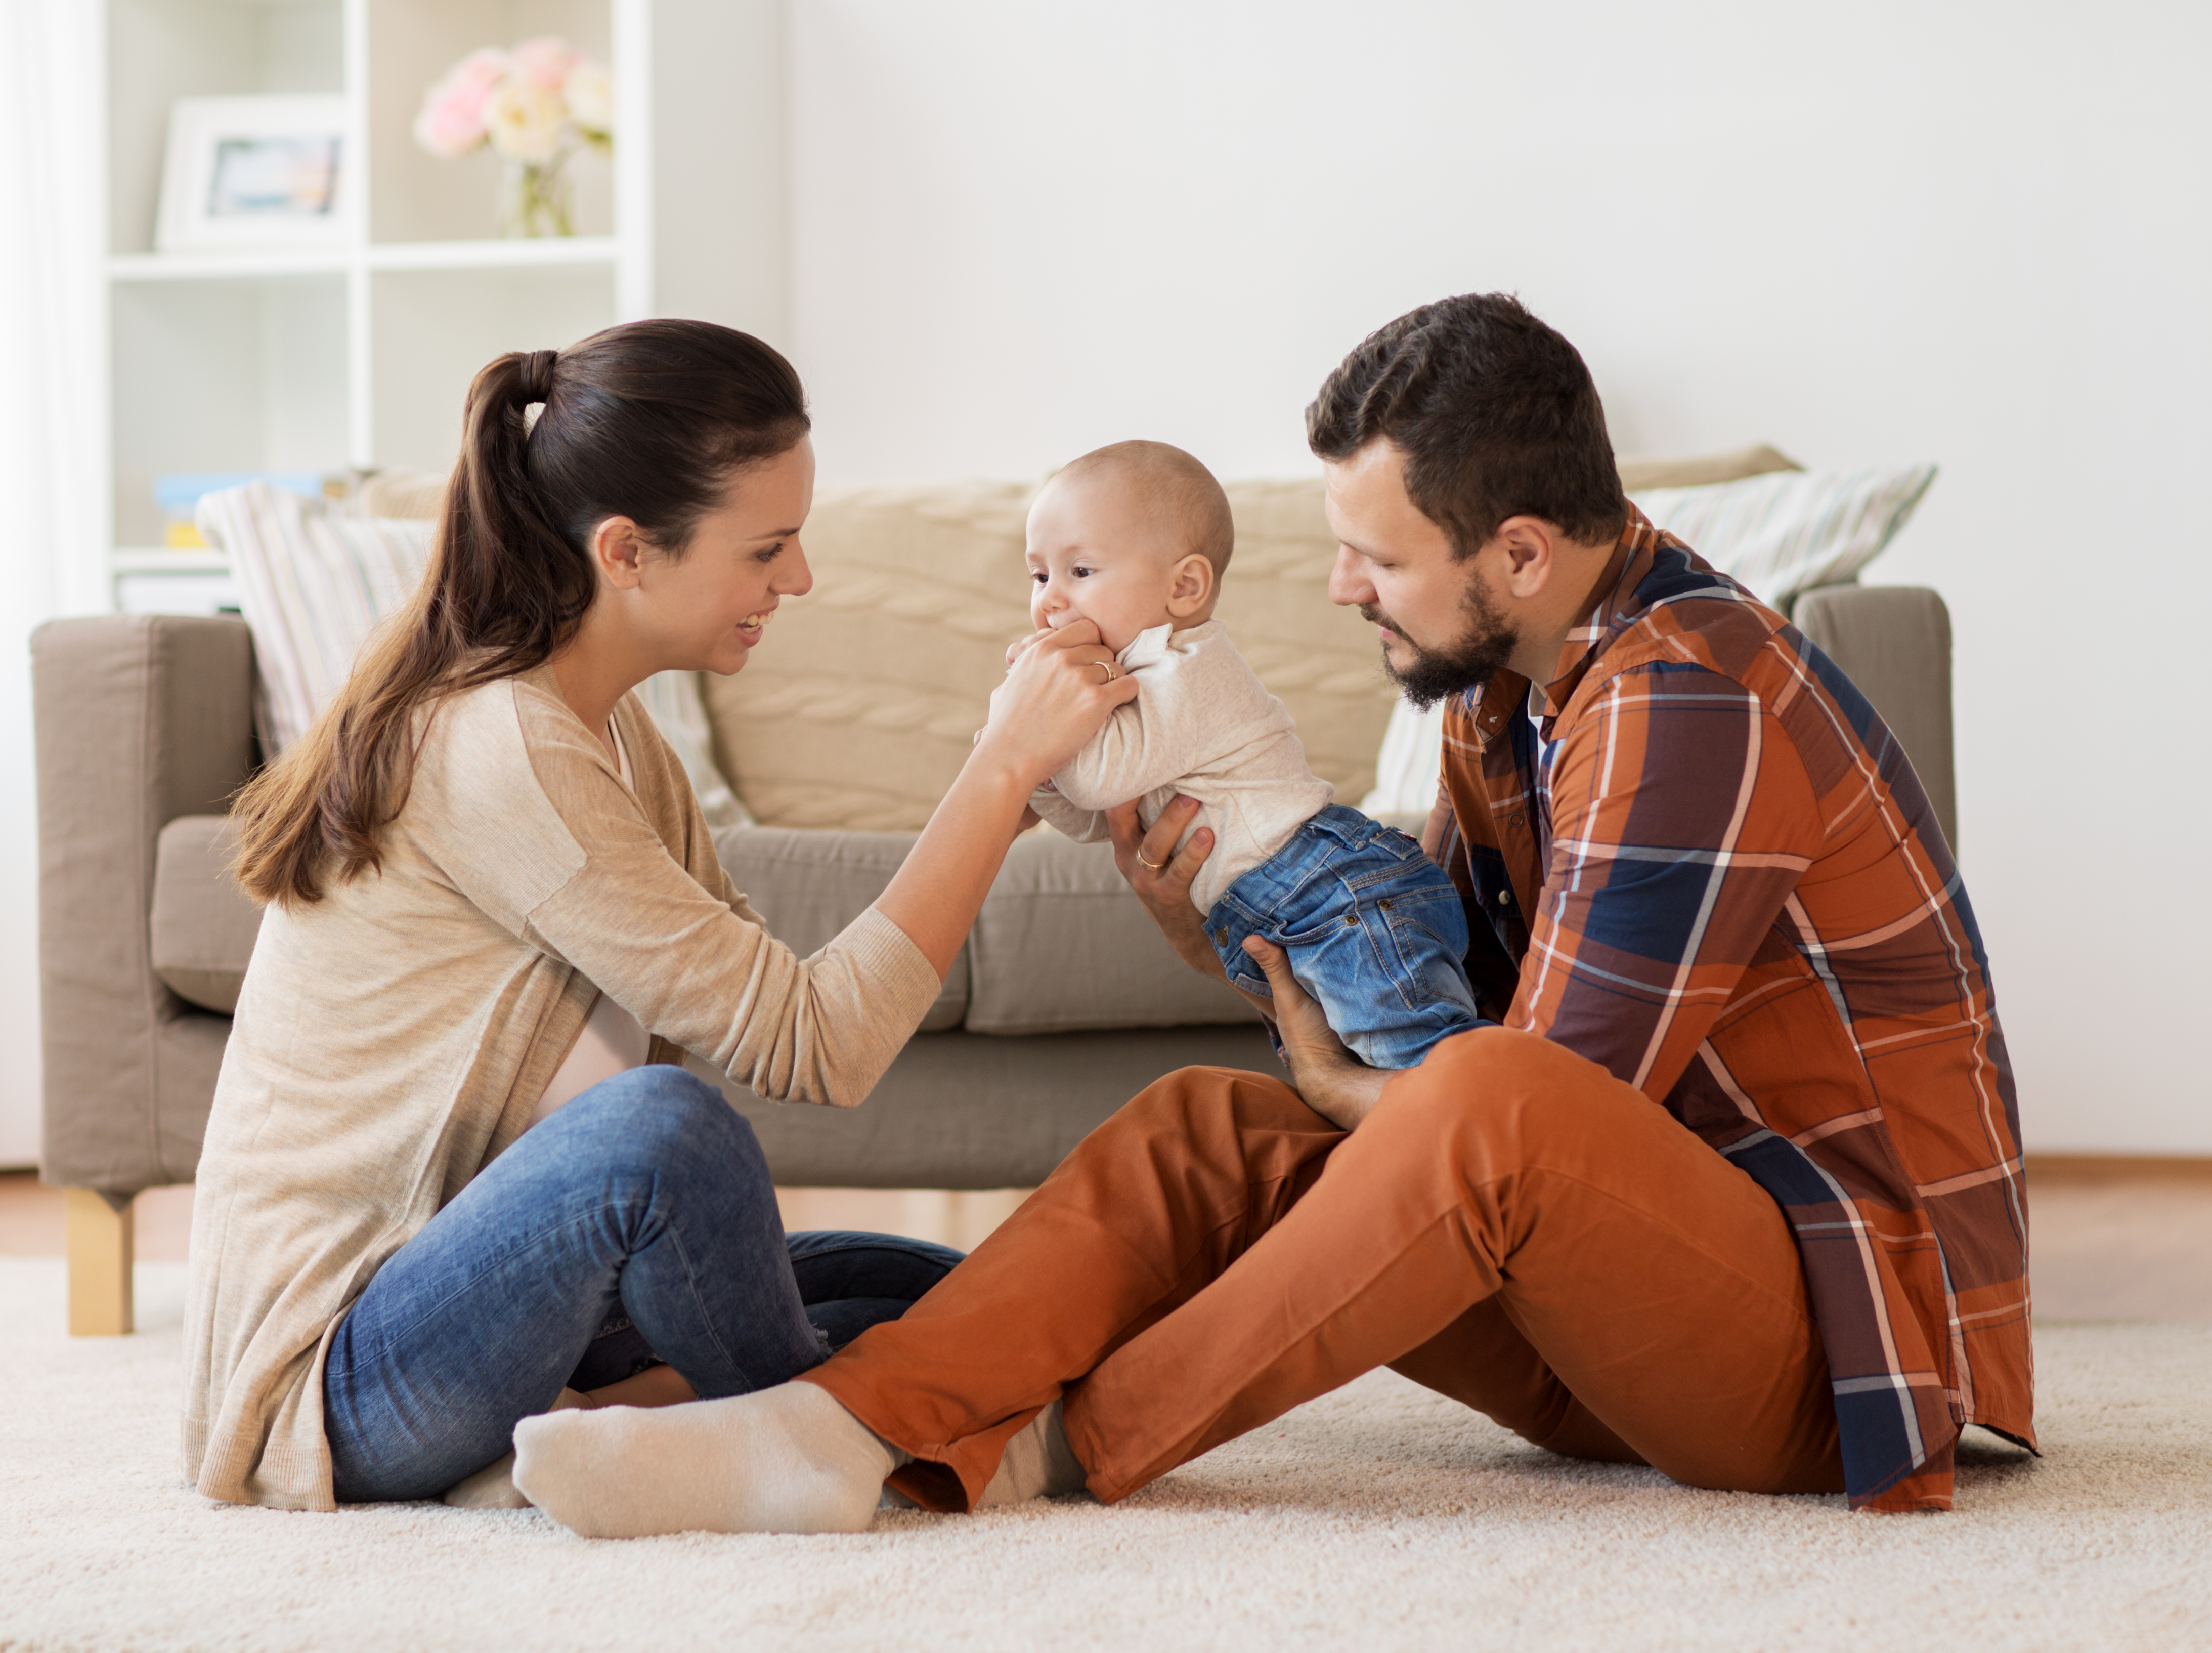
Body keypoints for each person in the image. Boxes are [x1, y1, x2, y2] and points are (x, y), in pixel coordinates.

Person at [508, 294, 2030, 1536]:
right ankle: (845, 1431)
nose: (1339, 591)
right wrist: (1228, 955)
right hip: (1631, 1292)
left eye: (1373, 558)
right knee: (1203, 1129)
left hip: (1844, 1346)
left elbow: (1538, 1113)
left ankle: (1046, 1450)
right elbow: (1450, 1018)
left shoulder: (1683, 699)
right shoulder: (1503, 695)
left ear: (1516, 551)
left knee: (1489, 1101)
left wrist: (1348, 1092)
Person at [180, 319, 1137, 1511]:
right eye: (768, 547)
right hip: (341, 1381)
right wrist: (994, 772)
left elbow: (785, 1003)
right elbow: (816, 1046)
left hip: (522, 1310)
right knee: (662, 1134)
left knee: (956, 1292)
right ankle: (829, 1437)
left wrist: (1041, 777)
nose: (798, 579)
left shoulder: (615, 733)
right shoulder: (502, 746)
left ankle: (623, 1429)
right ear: (628, 549)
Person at [1016, 438, 1487, 1071]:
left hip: (1330, 893)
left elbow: (1099, 784)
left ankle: (1529, 1140)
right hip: (1276, 913)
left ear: (1183, 586)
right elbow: (1089, 819)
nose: (1048, 599)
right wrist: (1032, 774)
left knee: (1429, 1076)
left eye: (1079, 572)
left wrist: (1025, 735)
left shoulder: (1187, 667)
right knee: (1371, 1077)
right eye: (1038, 575)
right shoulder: (1121, 684)